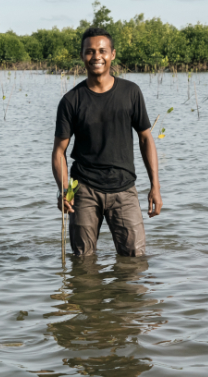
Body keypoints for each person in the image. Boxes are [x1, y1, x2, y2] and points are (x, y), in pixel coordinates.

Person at [52, 27, 162, 256]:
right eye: (90, 51)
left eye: (102, 50)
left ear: (112, 54)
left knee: (134, 260)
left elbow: (146, 139)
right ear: (82, 56)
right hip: (83, 190)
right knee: (82, 261)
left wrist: (155, 186)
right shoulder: (71, 101)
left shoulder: (131, 92)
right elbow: (59, 152)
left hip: (124, 189)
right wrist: (65, 191)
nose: (96, 56)